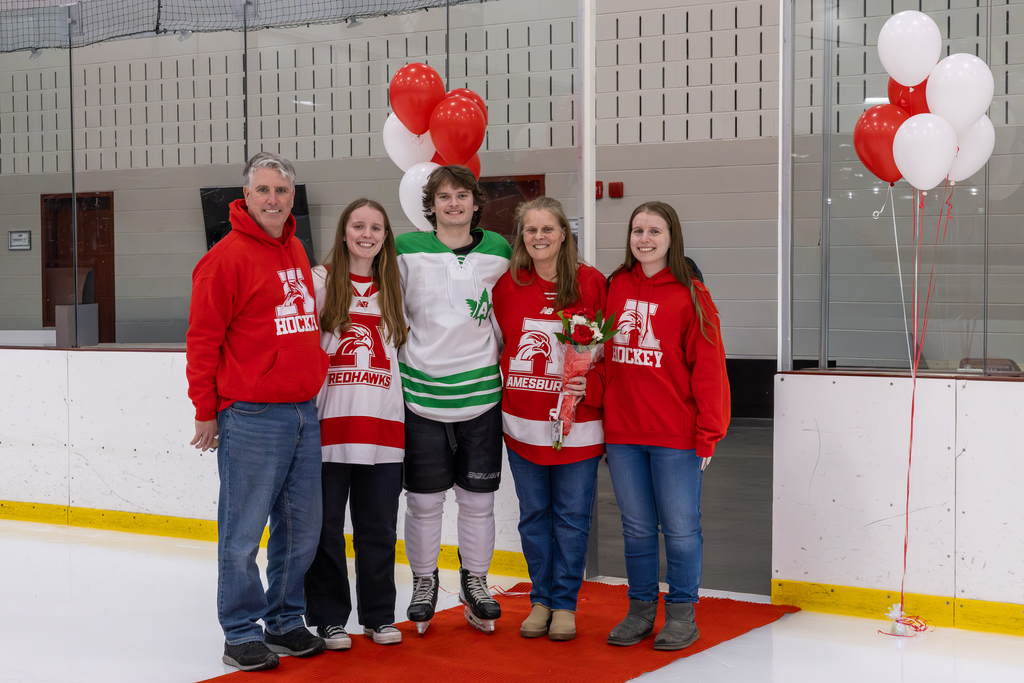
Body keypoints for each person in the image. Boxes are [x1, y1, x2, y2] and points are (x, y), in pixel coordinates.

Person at [186, 151, 329, 672]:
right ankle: (240, 631)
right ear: (244, 196)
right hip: (250, 415)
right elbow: (202, 340)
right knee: (242, 533)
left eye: (282, 191)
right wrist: (205, 410)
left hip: (301, 413)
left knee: (302, 528)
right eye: (263, 190)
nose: (273, 199)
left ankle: (286, 621)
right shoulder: (223, 259)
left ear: (292, 197)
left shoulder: (293, 248)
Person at [603, 201, 730, 651]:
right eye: (637, 230)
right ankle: (639, 611)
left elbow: (710, 368)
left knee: (679, 529)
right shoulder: (614, 286)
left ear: (672, 237)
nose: (645, 239)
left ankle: (681, 615)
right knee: (636, 528)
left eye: (655, 231)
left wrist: (709, 431)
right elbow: (600, 355)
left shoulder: (691, 294)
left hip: (675, 435)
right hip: (622, 432)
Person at [396, 165, 511, 634]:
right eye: (443, 196)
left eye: (461, 195)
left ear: (475, 202)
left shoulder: (501, 252)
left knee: (478, 501)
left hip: (482, 396)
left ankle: (475, 583)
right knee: (423, 502)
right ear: (432, 204)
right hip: (421, 395)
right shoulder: (404, 249)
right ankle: (425, 582)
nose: (453, 204)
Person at [492, 197, 607, 642]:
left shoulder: (592, 283)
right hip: (523, 423)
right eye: (531, 230)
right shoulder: (508, 286)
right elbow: (498, 345)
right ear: (522, 236)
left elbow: (607, 355)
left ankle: (564, 604)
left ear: (564, 234)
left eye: (548, 229)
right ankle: (540, 600)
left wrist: (589, 389)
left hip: (578, 426)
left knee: (573, 516)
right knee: (534, 515)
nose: (539, 237)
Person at [303, 199, 407, 649]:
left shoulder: (397, 285)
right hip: (329, 429)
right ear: (344, 232)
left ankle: (379, 615)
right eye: (358, 225)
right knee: (325, 530)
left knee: (379, 529)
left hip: (384, 429)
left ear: (386, 236)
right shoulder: (320, 281)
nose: (367, 234)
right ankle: (328, 618)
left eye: (376, 227)